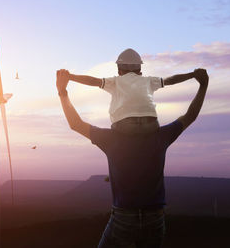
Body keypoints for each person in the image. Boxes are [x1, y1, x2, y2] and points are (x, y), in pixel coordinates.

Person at [56, 68, 208, 247]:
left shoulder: (111, 139)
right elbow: (190, 116)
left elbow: (75, 124)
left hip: (123, 218)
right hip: (155, 219)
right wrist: (203, 86)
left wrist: (62, 91)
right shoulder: (161, 136)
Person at [68, 48, 195, 135]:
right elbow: (171, 80)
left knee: (114, 131)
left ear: (119, 71)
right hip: (151, 125)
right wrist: (192, 75)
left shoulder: (116, 81)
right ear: (140, 71)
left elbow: (93, 81)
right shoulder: (149, 81)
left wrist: (70, 76)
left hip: (125, 126)